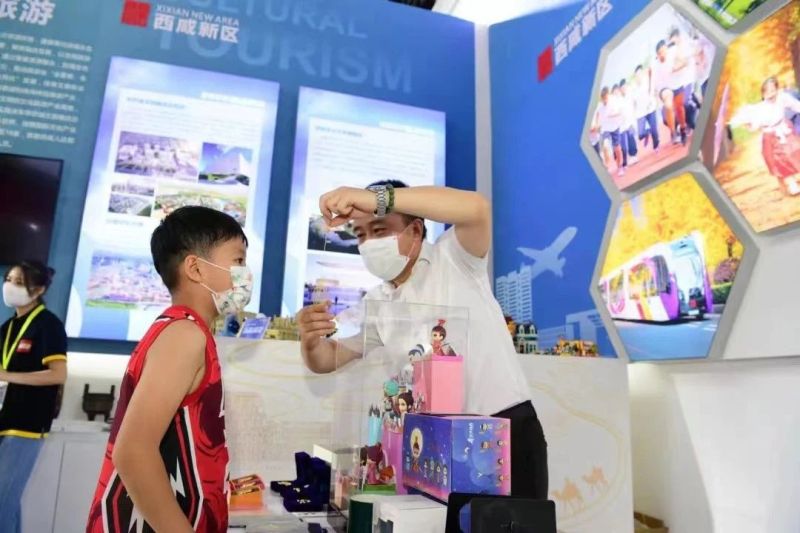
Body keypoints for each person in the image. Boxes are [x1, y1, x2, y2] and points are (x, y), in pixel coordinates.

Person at [296, 182, 548, 499]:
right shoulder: (378, 303)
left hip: (502, 432)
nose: (369, 243)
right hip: (434, 446)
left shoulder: (454, 258)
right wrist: (310, 341)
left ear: (415, 230)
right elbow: (326, 358)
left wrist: (375, 199)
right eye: (361, 235)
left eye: (380, 229)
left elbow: (477, 208)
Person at [87, 206, 252, 532]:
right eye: (238, 260)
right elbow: (133, 451)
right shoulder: (184, 335)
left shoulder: (185, 331)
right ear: (196, 268)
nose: (245, 274)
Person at [0, 261, 67, 533]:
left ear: (39, 290)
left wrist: (8, 376)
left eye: (19, 282)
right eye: (9, 279)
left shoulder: (48, 325)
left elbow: (57, 374)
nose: (10, 287)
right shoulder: (8, 327)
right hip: (5, 419)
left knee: (3, 503)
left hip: (27, 424)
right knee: (7, 502)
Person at [729, 77, 800, 196]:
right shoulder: (760, 108)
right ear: (763, 94)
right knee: (779, 160)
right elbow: (755, 125)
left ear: (777, 90)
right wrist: (748, 125)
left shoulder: (783, 98)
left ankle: (791, 178)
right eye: (767, 92)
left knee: (794, 151)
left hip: (784, 130)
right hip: (770, 137)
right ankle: (791, 183)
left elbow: (795, 105)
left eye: (773, 91)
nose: (771, 95)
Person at [597, 86, 625, 176]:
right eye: (603, 99)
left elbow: (620, 111)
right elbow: (597, 115)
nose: (604, 100)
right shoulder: (599, 105)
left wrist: (612, 115)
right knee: (605, 145)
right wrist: (598, 125)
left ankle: (620, 167)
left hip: (615, 127)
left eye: (605, 98)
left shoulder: (614, 101)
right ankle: (607, 166)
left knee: (617, 148)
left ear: (608, 95)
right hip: (605, 129)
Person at [633, 65, 660, 152]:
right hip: (640, 113)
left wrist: (653, 101)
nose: (639, 76)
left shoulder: (648, 81)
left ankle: (656, 146)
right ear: (635, 76)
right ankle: (647, 132)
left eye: (640, 74)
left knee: (654, 131)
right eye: (637, 75)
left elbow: (651, 73)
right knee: (640, 134)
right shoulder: (633, 88)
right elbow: (633, 102)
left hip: (650, 109)